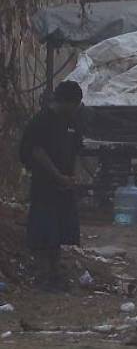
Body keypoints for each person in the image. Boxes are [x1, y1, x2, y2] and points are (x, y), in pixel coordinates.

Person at [20, 81, 84, 288]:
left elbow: (74, 150)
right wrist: (57, 176)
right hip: (45, 185)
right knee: (43, 231)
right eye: (75, 103)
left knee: (60, 232)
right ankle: (42, 276)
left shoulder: (70, 121)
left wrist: (72, 177)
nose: (76, 108)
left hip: (64, 184)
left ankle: (55, 275)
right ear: (65, 101)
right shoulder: (42, 121)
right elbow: (36, 152)